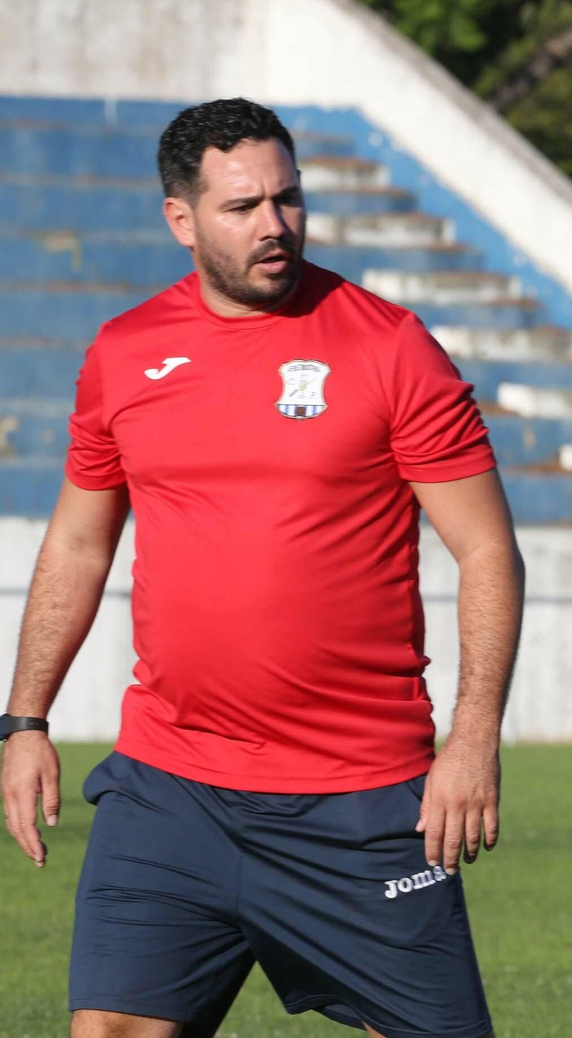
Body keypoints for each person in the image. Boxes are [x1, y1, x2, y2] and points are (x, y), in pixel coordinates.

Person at [0, 98, 523, 1038]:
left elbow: (485, 547)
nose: (274, 226)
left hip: (359, 796)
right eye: (243, 207)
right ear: (181, 219)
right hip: (170, 788)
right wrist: (25, 717)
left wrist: (474, 733)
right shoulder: (125, 353)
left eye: (288, 199)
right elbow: (78, 542)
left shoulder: (389, 346)